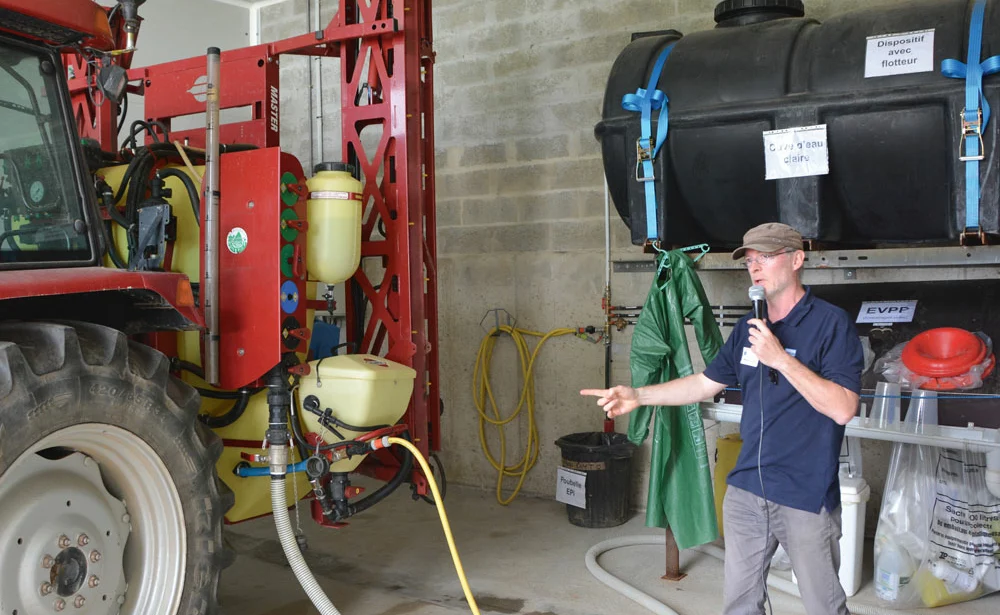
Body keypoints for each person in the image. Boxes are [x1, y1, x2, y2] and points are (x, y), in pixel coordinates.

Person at [582, 222, 863, 615]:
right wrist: (639, 395)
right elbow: (703, 383)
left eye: (765, 257)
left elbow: (843, 407)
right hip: (748, 489)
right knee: (740, 605)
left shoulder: (831, 324)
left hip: (805, 493)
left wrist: (780, 359)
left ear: (797, 260)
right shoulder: (750, 327)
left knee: (823, 607)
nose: (755, 267)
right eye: (749, 260)